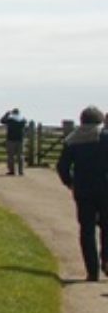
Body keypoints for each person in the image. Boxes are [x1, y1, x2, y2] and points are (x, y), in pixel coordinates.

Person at [56, 105, 108, 281]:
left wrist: (70, 183)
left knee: (86, 229)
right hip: (105, 187)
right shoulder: (105, 138)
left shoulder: (72, 140)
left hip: (83, 190)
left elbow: (62, 167)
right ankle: (106, 260)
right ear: (100, 120)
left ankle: (92, 271)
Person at [0, 108, 27, 175]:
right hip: (20, 139)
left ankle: (12, 171)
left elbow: (1, 121)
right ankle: (21, 171)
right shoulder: (23, 120)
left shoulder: (10, 120)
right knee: (20, 156)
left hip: (11, 139)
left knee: (11, 156)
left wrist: (6, 114)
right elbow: (25, 127)